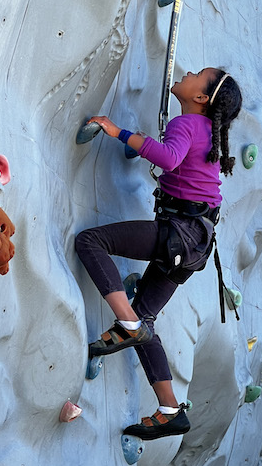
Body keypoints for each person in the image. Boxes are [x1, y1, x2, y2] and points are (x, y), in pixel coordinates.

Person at [75, 67, 242, 439]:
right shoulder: (206, 132)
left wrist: (119, 132)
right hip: (196, 245)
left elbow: (168, 159)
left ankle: (127, 323)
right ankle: (170, 409)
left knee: (90, 242)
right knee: (146, 320)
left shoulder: (188, 124)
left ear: (201, 98)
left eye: (198, 74)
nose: (188, 72)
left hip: (178, 234)